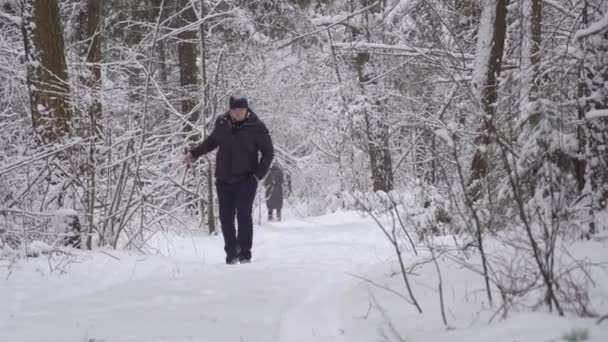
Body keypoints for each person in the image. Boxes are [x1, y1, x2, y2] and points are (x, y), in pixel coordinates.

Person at [183, 95, 274, 264]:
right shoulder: (222, 123)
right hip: (223, 179)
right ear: (230, 110)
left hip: (246, 179)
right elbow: (211, 142)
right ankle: (231, 253)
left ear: (247, 109)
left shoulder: (257, 127)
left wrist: (257, 175)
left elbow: (268, 153)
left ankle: (245, 254)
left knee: (243, 215)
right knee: (225, 217)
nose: (237, 113)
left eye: (241, 110)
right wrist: (193, 154)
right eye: (234, 110)